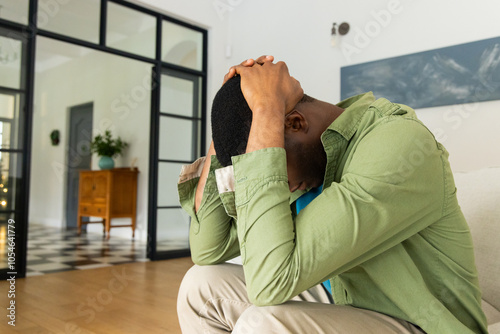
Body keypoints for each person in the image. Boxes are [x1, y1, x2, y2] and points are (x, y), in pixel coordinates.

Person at [176, 55, 488, 333]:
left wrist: (267, 108)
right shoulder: (306, 159)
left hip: (415, 321)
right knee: (199, 286)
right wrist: (230, 117)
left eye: (271, 161)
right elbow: (208, 249)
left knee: (265, 324)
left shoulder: (396, 142)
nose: (279, 185)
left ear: (295, 123)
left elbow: (270, 283)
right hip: (339, 298)